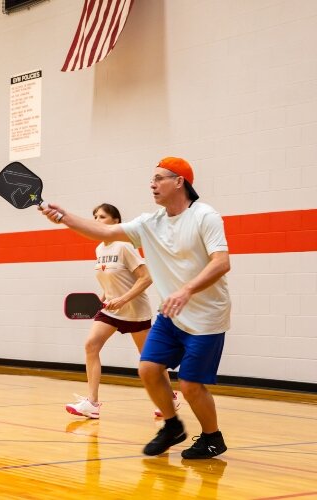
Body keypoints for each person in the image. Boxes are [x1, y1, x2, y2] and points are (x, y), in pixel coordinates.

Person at [41, 157, 231, 460]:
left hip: (206, 317)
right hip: (171, 314)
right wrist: (64, 217)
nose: (152, 184)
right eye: (151, 179)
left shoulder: (205, 216)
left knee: (191, 385)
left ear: (179, 181)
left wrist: (186, 290)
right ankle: (172, 426)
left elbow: (222, 262)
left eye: (159, 178)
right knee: (148, 369)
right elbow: (103, 233)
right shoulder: (149, 223)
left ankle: (212, 437)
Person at [65, 203, 179, 419]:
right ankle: (92, 403)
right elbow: (111, 278)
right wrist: (104, 295)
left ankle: (170, 398)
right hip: (110, 309)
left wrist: (124, 298)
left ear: (116, 221)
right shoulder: (99, 248)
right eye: (95, 216)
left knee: (149, 360)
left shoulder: (124, 246)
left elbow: (146, 277)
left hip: (134, 310)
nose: (97, 220)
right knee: (91, 345)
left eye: (102, 216)